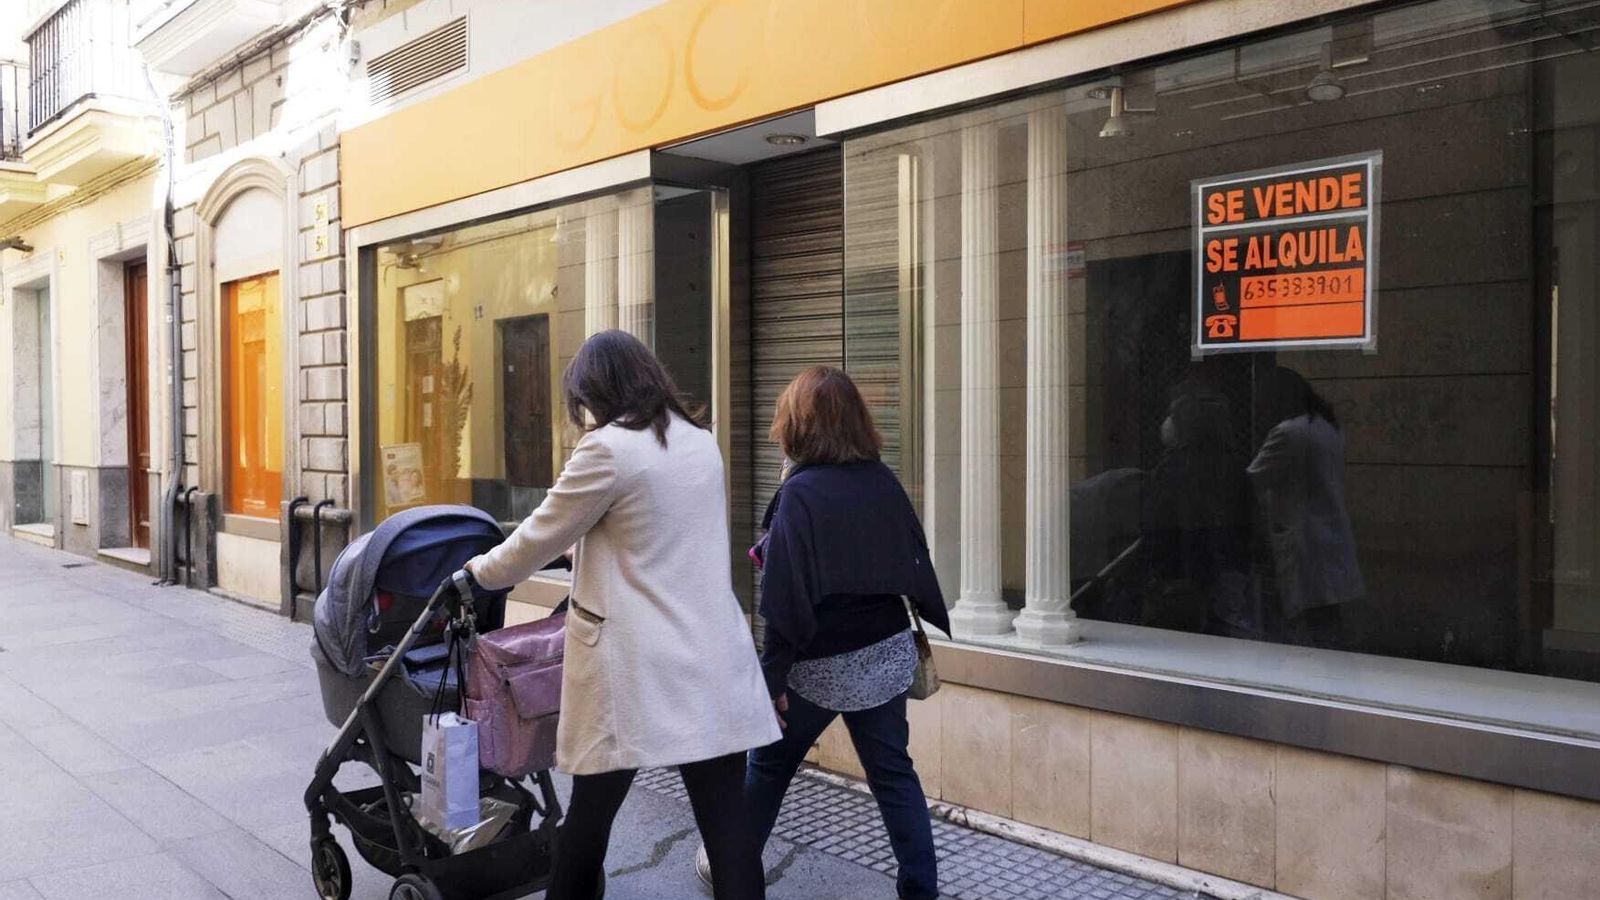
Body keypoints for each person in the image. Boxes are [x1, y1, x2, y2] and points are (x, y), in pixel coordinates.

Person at [462, 330, 779, 900]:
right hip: (710, 658)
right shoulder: (699, 440)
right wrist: (587, 548)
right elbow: (659, 535)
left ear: (597, 391)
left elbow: (535, 536)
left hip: (637, 671)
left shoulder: (608, 448)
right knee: (728, 828)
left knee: (587, 822)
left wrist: (475, 573)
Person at [722, 365, 948, 900]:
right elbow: (914, 561)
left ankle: (734, 879)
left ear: (798, 425)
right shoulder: (883, 481)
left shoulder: (800, 495)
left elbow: (783, 602)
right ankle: (921, 889)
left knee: (769, 768)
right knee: (894, 774)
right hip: (885, 656)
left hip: (814, 665)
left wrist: (770, 680)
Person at [1247, 366, 1364, 648]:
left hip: (1303, 542)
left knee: (1302, 624)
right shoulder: (1327, 427)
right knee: (1326, 620)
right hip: (1330, 537)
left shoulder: (1287, 433)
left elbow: (1252, 480)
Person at [1141, 385, 1253, 635]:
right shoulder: (1232, 465)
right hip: (1229, 569)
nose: (1166, 423)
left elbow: (1160, 522)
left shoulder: (1174, 468)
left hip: (1182, 574)